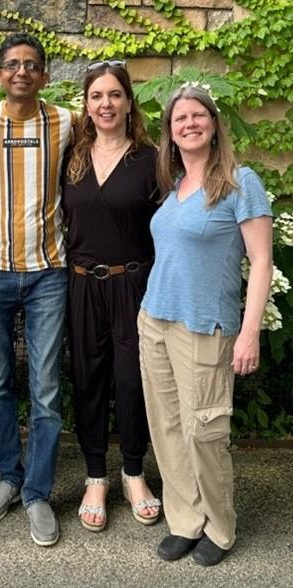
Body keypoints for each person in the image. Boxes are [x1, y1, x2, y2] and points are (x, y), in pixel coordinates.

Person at [138, 85, 273, 565]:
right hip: (155, 321)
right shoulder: (175, 187)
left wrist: (250, 331)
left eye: (198, 115)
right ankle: (185, 520)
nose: (189, 123)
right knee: (168, 427)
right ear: (170, 134)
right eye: (180, 119)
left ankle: (219, 525)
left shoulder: (240, 181)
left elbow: (260, 261)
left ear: (214, 125)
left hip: (205, 327)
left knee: (205, 432)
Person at [0, 34, 74, 546]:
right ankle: (8, 476)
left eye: (32, 64)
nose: (22, 72)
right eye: (13, 64)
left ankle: (37, 492)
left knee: (48, 389)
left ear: (45, 75)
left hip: (49, 273)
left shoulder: (66, 122)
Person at [61, 60, 161, 532]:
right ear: (86, 104)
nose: (106, 104)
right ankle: (96, 474)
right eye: (97, 95)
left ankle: (134, 472)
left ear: (128, 102)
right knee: (88, 380)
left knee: (131, 381)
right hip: (81, 284)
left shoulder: (151, 158)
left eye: (114, 95)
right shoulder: (69, 155)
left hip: (135, 284)